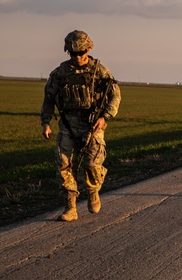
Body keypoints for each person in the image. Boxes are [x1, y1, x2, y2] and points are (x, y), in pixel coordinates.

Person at [40, 30, 121, 222]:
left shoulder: (99, 71)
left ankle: (93, 191)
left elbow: (115, 95)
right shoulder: (60, 73)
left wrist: (105, 117)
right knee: (64, 163)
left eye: (82, 52)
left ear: (89, 49)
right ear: (68, 52)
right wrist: (46, 122)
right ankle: (70, 207)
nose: (78, 57)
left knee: (92, 164)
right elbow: (48, 99)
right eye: (74, 53)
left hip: (93, 124)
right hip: (68, 124)